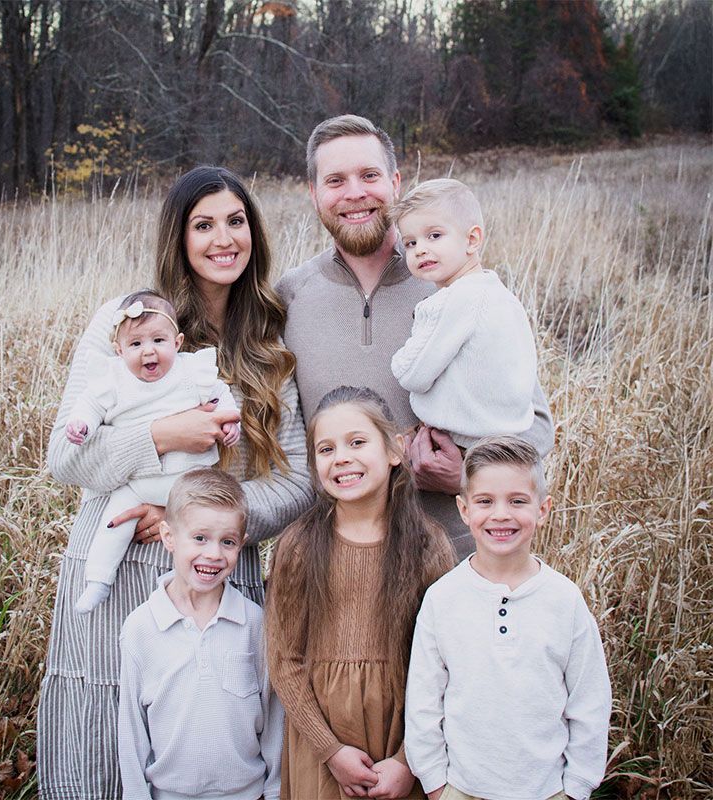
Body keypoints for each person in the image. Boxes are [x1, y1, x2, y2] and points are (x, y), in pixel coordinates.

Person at [37, 166, 312, 800]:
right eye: (204, 224)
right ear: (178, 237)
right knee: (111, 735)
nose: (224, 238)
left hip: (217, 565)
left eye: (236, 221)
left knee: (209, 739)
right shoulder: (129, 320)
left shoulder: (268, 335)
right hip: (121, 554)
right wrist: (164, 434)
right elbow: (65, 458)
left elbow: (298, 480)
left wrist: (205, 522)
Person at [276, 114, 554, 560]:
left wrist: (466, 475)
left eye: (369, 176)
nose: (354, 194)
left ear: (396, 182)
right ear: (314, 194)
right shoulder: (289, 296)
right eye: (335, 180)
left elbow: (534, 425)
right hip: (336, 564)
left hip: (452, 557)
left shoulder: (458, 288)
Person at [266, 386, 455, 800]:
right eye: (326, 449)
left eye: (356, 442)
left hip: (402, 736)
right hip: (321, 746)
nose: (342, 458)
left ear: (395, 450)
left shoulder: (427, 545)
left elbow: (446, 664)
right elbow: (284, 659)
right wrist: (330, 751)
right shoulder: (299, 546)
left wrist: (409, 762)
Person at [404, 436, 611, 800]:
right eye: (485, 501)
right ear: (464, 510)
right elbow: (424, 701)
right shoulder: (443, 598)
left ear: (543, 509)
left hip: (546, 791)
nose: (501, 514)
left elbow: (590, 702)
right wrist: (436, 784)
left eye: (517, 501)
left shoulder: (564, 600)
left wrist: (577, 787)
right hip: (463, 788)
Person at [65, 289, 240, 614]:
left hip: (190, 483)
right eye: (136, 344)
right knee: (113, 524)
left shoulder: (190, 371)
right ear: (119, 350)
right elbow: (88, 405)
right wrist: (82, 425)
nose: (149, 352)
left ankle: (193, 594)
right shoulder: (113, 379)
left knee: (198, 538)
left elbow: (221, 395)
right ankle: (98, 582)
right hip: (137, 484)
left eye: (159, 341)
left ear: (177, 342)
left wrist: (231, 424)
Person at [117, 468, 282, 800]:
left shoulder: (254, 622)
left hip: (247, 794)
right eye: (200, 538)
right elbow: (132, 730)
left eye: (228, 542)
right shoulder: (141, 628)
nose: (213, 554)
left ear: (242, 544)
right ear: (169, 537)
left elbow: (274, 715)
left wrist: (275, 790)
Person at [390, 179, 537, 448]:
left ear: (472, 239)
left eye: (434, 235)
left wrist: (399, 357)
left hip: (463, 444)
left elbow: (413, 375)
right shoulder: (501, 295)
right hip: (510, 441)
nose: (420, 249)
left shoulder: (454, 300)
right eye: (410, 243)